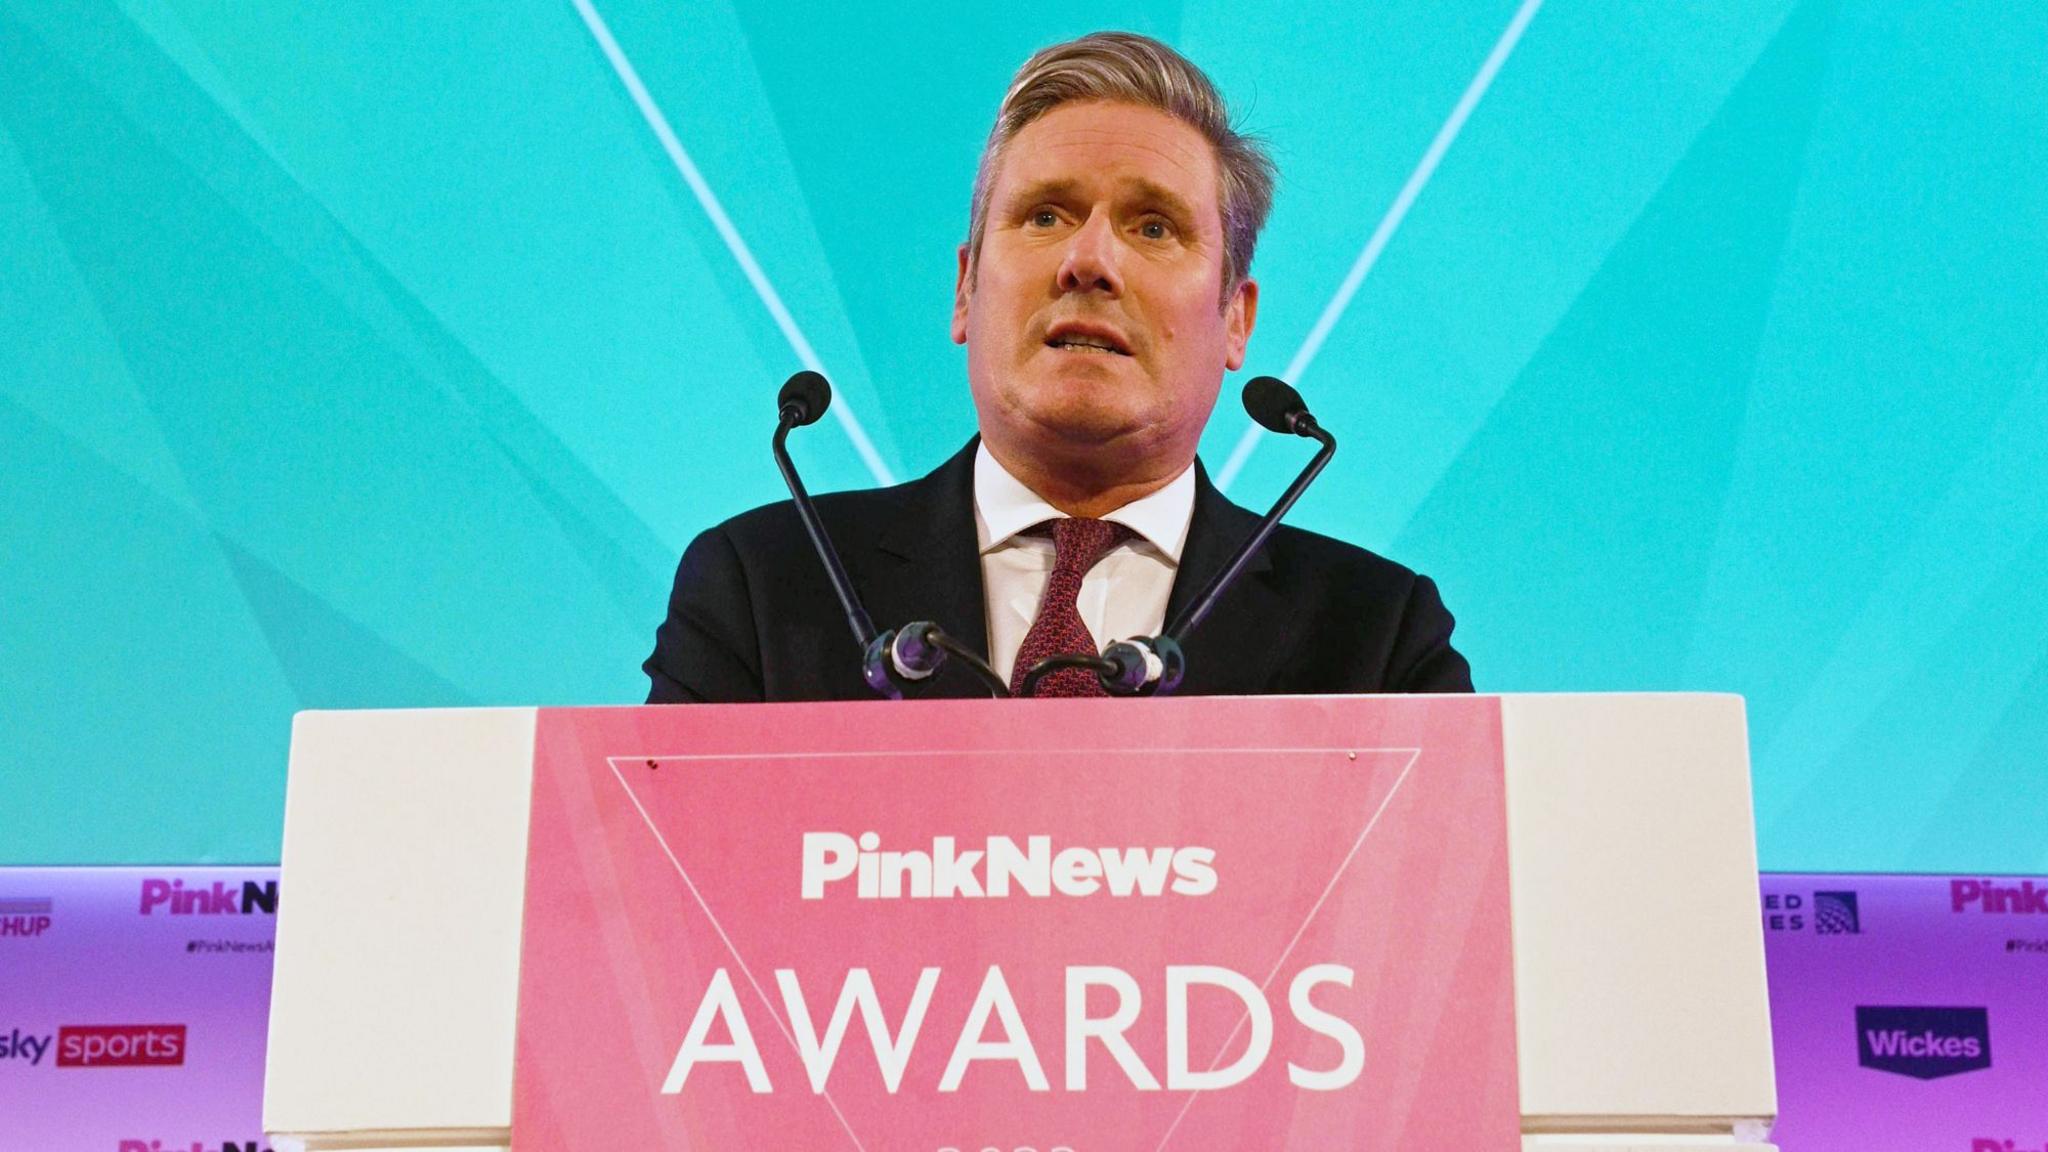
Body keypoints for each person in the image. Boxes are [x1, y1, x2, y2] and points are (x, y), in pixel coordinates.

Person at [645, 31, 1472, 703]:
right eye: (1045, 214)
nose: (1089, 260)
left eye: (1153, 227)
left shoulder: (1375, 636)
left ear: (1234, 319)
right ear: (966, 289)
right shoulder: (766, 587)